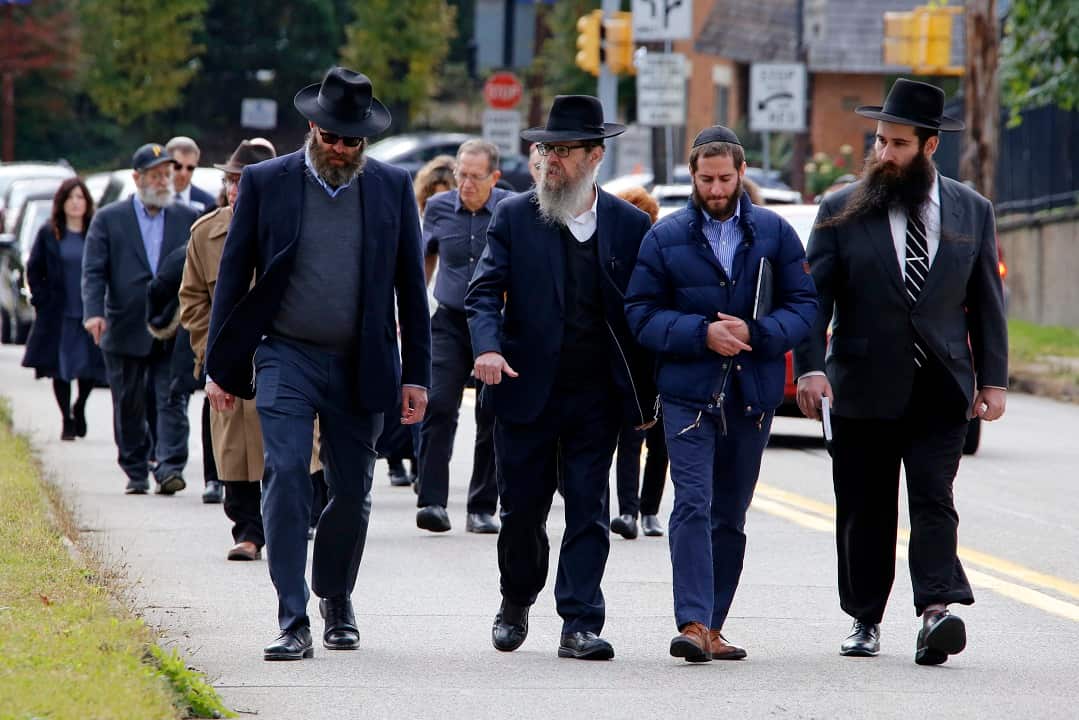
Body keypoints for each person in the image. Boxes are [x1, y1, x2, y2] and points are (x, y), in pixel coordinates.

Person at [204, 67, 431, 662]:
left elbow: (412, 287)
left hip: (361, 361)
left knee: (353, 490)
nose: (340, 148)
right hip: (286, 354)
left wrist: (418, 375)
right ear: (312, 127)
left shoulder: (389, 186)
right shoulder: (265, 182)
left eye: (352, 140)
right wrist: (220, 367)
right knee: (282, 473)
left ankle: (336, 596)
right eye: (331, 136)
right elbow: (232, 278)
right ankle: (291, 616)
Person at [794, 79, 1008, 666]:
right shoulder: (841, 209)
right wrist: (811, 369)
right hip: (861, 385)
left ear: (930, 146)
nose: (883, 153)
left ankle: (936, 612)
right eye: (880, 140)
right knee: (866, 506)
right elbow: (814, 301)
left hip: (941, 384)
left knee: (934, 497)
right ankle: (864, 618)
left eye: (897, 143)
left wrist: (993, 380)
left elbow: (987, 301)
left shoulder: (972, 211)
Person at [466, 95, 654, 661]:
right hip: (524, 388)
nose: (551, 160)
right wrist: (488, 349)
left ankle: (580, 622)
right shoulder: (515, 215)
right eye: (546, 149)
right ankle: (516, 597)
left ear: (595, 156)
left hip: (596, 396)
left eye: (565, 151)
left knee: (587, 510)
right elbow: (481, 295)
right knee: (521, 511)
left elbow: (644, 308)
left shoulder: (628, 225)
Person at [625, 125, 818, 663]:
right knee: (691, 503)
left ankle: (713, 624)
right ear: (692, 175)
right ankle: (691, 622)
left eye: (724, 178)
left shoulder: (776, 233)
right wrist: (699, 333)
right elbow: (640, 314)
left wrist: (757, 334)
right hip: (688, 394)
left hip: (751, 395)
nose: (715, 188)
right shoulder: (664, 238)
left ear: (741, 174)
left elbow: (805, 307)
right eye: (706, 179)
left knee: (729, 515)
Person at [180, 139, 278, 561]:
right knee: (234, 450)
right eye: (231, 181)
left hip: (282, 356)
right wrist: (213, 353)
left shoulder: (292, 228)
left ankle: (291, 523)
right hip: (230, 362)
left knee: (291, 449)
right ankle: (247, 533)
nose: (235, 190)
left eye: (244, 181)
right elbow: (193, 300)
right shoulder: (206, 234)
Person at [82, 143, 198, 495]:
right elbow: (94, 271)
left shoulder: (187, 217)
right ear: (137, 178)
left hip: (172, 325)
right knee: (129, 402)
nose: (164, 181)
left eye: (167, 174)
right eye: (155, 175)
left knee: (172, 398)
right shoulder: (109, 218)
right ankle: (135, 469)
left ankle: (169, 467)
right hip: (124, 324)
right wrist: (94, 313)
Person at [416, 139, 513, 535]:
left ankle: (481, 507)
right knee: (438, 404)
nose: (466, 183)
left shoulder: (511, 208)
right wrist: (413, 310)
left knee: (490, 413)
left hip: (494, 324)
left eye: (475, 176)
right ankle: (432, 502)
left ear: (495, 177)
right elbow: (425, 257)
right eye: (461, 174)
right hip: (449, 321)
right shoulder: (438, 207)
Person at [22, 178, 107, 440]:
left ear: (87, 202)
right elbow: (34, 269)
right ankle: (66, 420)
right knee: (61, 367)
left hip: (89, 311)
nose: (75, 203)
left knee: (91, 366)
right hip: (59, 312)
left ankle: (79, 406)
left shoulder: (95, 231)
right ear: (62, 202)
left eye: (80, 197)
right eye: (70, 197)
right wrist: (41, 299)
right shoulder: (49, 233)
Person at [609, 186, 668, 539]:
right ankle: (628, 511)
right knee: (630, 438)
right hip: (628, 359)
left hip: (658, 357)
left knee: (659, 441)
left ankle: (648, 510)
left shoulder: (659, 253)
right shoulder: (614, 256)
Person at [166, 136, 216, 213]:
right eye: (178, 167)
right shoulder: (154, 200)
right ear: (166, 164)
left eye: (190, 168)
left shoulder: (210, 204)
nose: (184, 173)